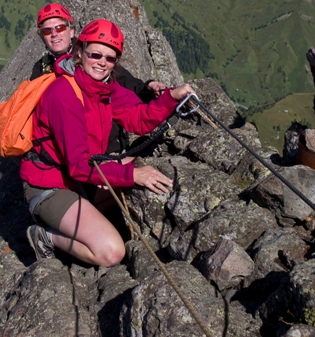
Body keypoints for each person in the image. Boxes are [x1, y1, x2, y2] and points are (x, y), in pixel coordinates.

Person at [20, 19, 196, 267]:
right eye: (95, 54)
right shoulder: (64, 94)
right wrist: (133, 175)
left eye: (110, 58)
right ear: (80, 52)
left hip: (79, 180)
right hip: (50, 186)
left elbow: (139, 120)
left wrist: (171, 97)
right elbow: (79, 165)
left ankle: (87, 216)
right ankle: (45, 236)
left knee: (132, 165)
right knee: (111, 252)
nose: (102, 62)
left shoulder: (104, 89)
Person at [30, 3, 162, 101]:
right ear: (42, 37)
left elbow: (124, 79)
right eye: (47, 31)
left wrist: (148, 87)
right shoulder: (41, 67)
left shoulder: (90, 52)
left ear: (71, 31)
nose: (54, 34)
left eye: (60, 28)